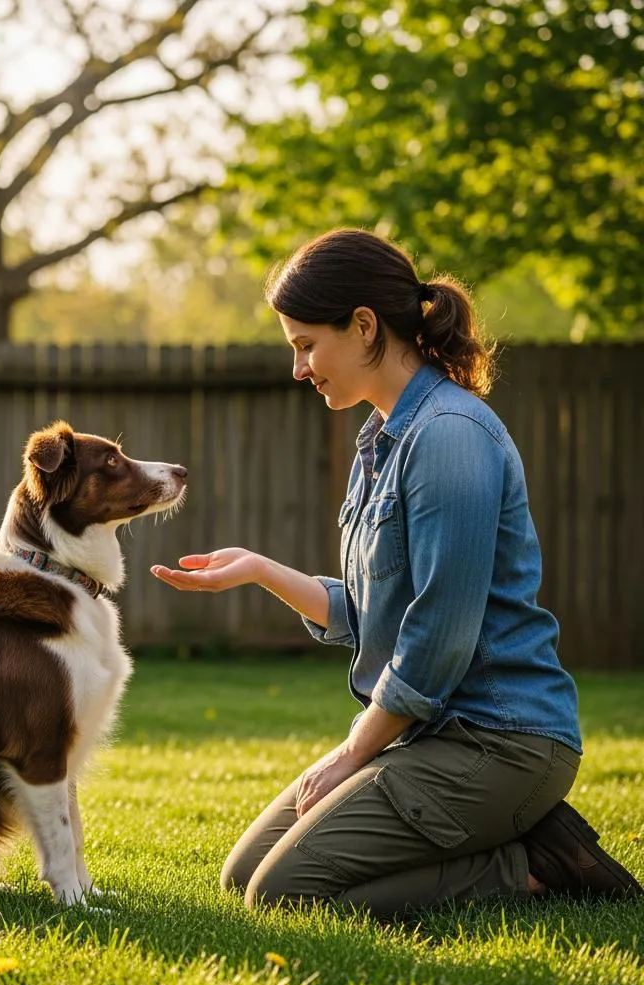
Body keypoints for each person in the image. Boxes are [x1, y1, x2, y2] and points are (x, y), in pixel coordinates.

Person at [150, 228, 642, 919]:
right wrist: (259, 571)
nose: (299, 368)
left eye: (305, 345)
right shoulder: (383, 440)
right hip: (434, 736)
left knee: (286, 892)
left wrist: (353, 754)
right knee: (244, 878)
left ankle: (532, 863)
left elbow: (438, 634)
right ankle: (505, 843)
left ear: (363, 326)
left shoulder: (448, 438)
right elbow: (372, 612)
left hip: (499, 741)